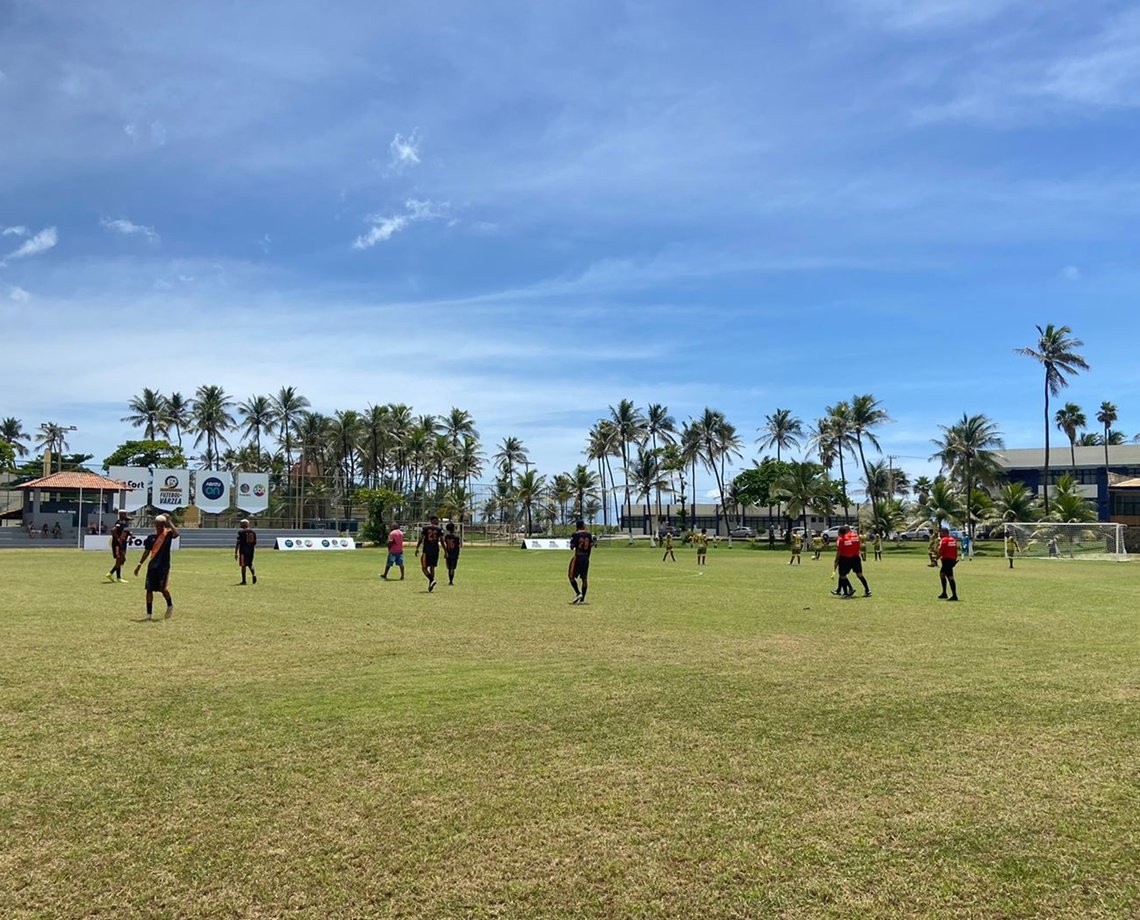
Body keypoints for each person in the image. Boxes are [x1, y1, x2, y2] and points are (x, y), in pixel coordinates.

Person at [134, 515, 179, 620]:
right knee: (149, 589)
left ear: (164, 525)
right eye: (157, 525)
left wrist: (169, 521)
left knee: (163, 589)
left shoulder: (167, 534)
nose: (159, 527)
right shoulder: (151, 537)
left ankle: (170, 605)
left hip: (163, 566)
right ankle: (149, 614)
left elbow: (176, 534)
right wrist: (139, 565)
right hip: (152, 566)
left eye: (161, 525)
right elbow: (146, 551)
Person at [832, 525, 871, 598]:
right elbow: (858, 546)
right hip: (856, 557)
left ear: (841, 532)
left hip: (845, 558)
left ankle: (846, 593)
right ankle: (867, 590)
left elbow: (839, 551)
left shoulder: (841, 539)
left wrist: (836, 561)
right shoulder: (856, 537)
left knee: (842, 576)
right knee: (860, 575)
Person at [568, 518, 595, 603]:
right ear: (583, 525)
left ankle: (578, 593)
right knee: (584, 578)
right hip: (586, 558)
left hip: (578, 557)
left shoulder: (575, 534)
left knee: (571, 576)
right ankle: (582, 599)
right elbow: (591, 546)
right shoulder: (589, 534)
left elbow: (572, 547)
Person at [415, 515, 444, 592]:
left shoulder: (425, 528)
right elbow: (442, 540)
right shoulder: (439, 529)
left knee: (424, 568)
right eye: (437, 520)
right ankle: (431, 583)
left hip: (426, 550)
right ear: (434, 520)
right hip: (435, 550)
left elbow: (421, 538)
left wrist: (417, 548)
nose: (438, 522)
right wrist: (445, 550)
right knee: (432, 567)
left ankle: (432, 580)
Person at [105, 510, 131, 583]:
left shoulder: (123, 523)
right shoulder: (118, 523)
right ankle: (110, 573)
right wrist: (118, 539)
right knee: (121, 559)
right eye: (124, 514)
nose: (126, 515)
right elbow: (113, 530)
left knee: (120, 560)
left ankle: (118, 578)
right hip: (117, 544)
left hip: (120, 543)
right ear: (121, 514)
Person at [936, 526, 959, 601]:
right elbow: (956, 550)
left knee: (950, 577)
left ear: (944, 532)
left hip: (947, 560)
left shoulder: (944, 540)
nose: (940, 534)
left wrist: (935, 559)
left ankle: (954, 595)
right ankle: (944, 593)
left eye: (941, 532)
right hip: (951, 560)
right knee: (942, 574)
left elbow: (940, 550)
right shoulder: (953, 540)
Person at [235, 519, 257, 585]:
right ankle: (254, 575)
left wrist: (236, 552)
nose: (240, 525)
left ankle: (244, 581)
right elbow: (255, 542)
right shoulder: (253, 532)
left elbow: (238, 543)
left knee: (243, 565)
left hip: (243, 551)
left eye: (241, 523)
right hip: (250, 551)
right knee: (250, 564)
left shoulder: (241, 532)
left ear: (244, 524)